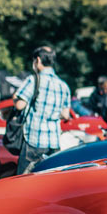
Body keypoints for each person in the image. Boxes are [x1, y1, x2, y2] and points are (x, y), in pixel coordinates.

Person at [13, 46, 72, 174]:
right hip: (54, 143)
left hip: (34, 141)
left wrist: (15, 99)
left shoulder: (33, 80)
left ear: (38, 60)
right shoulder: (63, 85)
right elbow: (65, 114)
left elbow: (20, 105)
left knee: (23, 183)